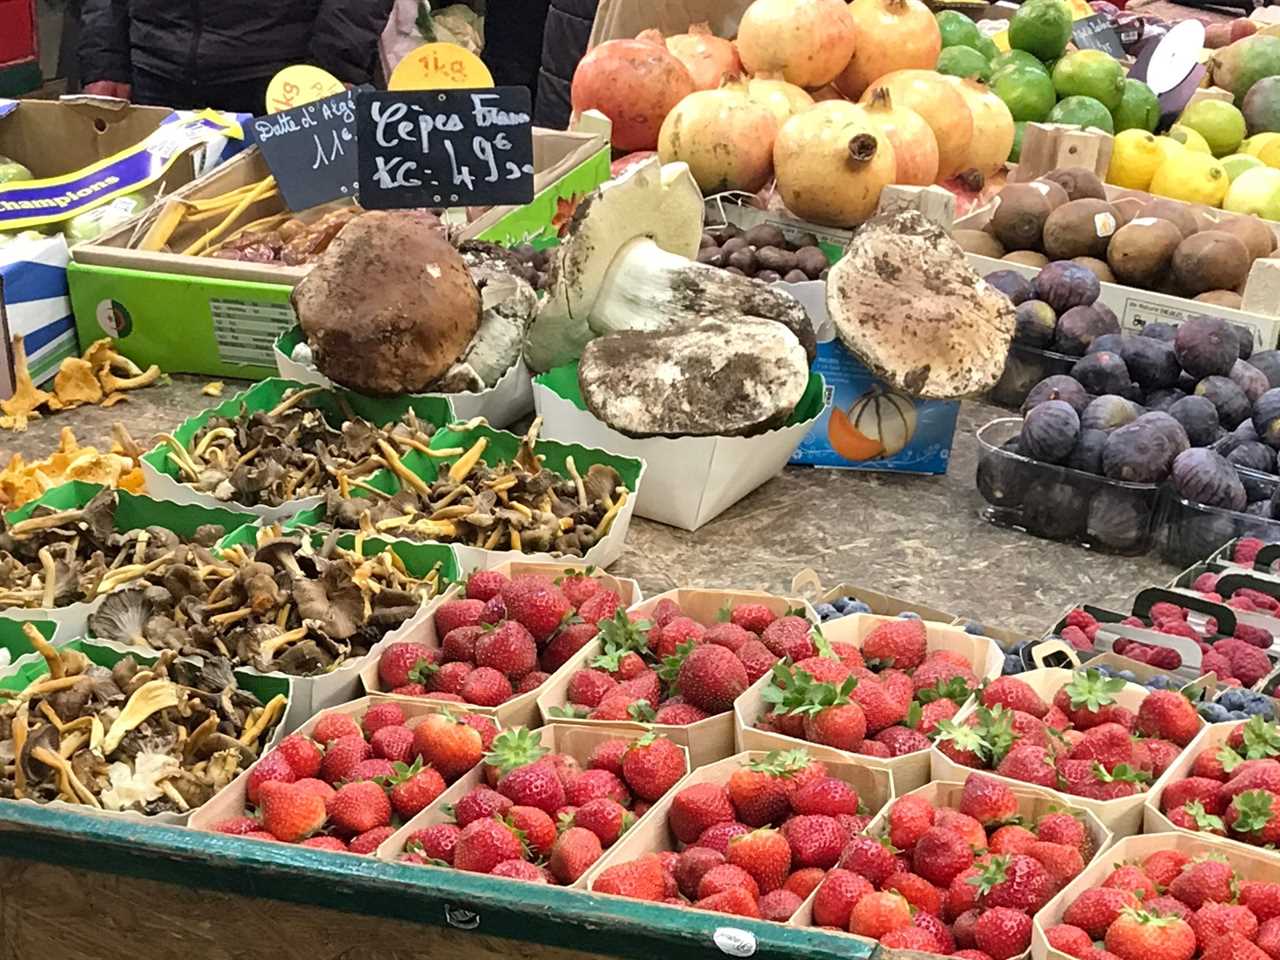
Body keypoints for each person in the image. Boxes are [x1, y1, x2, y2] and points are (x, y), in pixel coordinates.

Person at [79, 0, 394, 114]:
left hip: (280, 85)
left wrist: (332, 66)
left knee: (288, 236)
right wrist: (105, 60)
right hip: (154, 79)